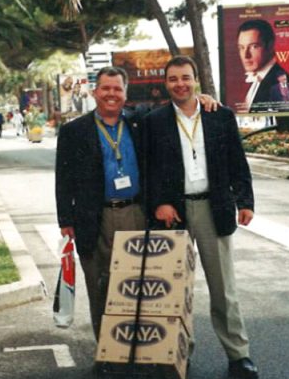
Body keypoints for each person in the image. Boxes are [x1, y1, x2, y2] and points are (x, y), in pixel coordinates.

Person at [55, 66, 218, 342]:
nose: (111, 94)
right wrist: (65, 221)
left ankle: (140, 350)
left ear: (125, 93)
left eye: (117, 89)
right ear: (95, 92)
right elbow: (63, 178)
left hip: (137, 213)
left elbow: (176, 107)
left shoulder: (140, 121)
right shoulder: (74, 131)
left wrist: (202, 98)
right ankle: (107, 350)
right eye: (106, 88)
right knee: (100, 288)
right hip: (94, 217)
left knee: (139, 286)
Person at [144, 56, 259, 379]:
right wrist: (159, 204)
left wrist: (245, 201)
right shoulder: (154, 121)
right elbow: (149, 169)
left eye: (185, 77)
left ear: (196, 80)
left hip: (214, 208)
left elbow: (238, 160)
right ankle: (180, 354)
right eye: (172, 79)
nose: (179, 84)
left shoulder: (219, 115)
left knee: (224, 288)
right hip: (174, 213)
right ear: (165, 84)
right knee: (176, 290)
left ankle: (239, 355)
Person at [236, 19, 289, 112]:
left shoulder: (282, 85)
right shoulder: (257, 78)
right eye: (241, 47)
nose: (246, 55)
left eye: (254, 46)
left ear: (270, 46)